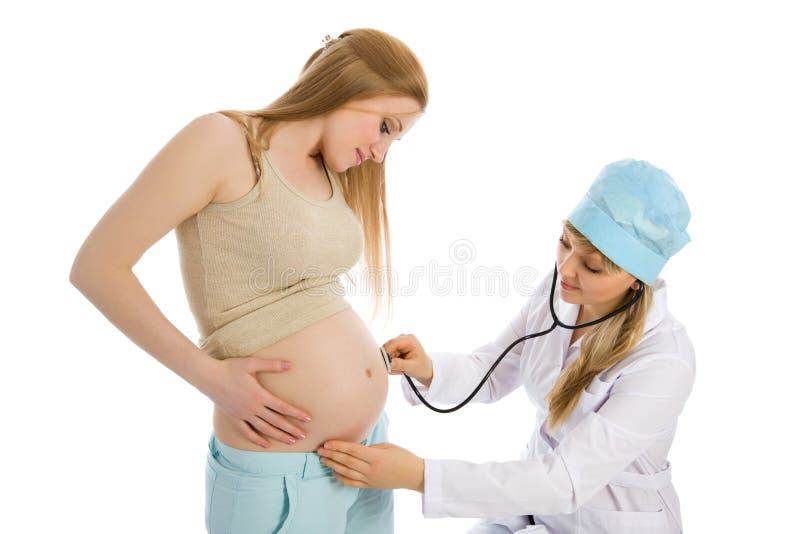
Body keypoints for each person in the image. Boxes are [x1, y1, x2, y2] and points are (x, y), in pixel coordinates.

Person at [69, 28, 427, 534]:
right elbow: (97, 266)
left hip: (364, 456)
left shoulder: (330, 171)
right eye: (386, 126)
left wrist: (365, 364)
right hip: (278, 467)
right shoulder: (224, 141)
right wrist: (209, 378)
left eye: (397, 138)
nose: (382, 151)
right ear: (349, 82)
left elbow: (299, 292)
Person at [317, 159, 695, 533]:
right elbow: (494, 368)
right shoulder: (561, 292)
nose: (565, 269)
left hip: (609, 521)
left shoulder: (664, 361)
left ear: (636, 278)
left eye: (592, 266)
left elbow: (564, 482)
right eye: (564, 243)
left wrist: (420, 476)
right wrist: (429, 369)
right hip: (534, 505)